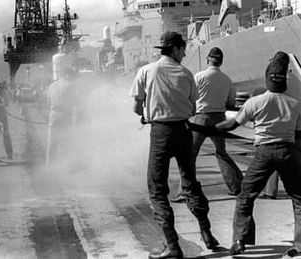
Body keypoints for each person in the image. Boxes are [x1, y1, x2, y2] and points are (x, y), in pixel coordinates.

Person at [129, 31, 219, 259]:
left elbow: (136, 107)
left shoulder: (147, 71)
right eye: (184, 48)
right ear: (176, 49)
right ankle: (207, 233)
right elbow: (192, 108)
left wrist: (145, 113)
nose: (185, 52)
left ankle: (172, 245)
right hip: (183, 131)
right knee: (190, 183)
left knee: (157, 189)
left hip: (160, 133)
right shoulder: (187, 73)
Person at [214, 51, 301, 258]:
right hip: (288, 151)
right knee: (299, 199)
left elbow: (232, 124)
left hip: (263, 152)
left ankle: (239, 241)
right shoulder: (296, 104)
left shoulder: (255, 102)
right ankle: (300, 243)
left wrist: (211, 127)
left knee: (246, 195)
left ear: (267, 78)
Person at [172, 47, 243, 203]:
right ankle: (236, 186)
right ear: (221, 61)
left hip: (201, 118)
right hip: (219, 118)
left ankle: (185, 191)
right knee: (221, 152)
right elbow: (231, 102)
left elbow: (190, 96)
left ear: (207, 60)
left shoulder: (199, 76)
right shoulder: (227, 79)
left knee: (190, 155)